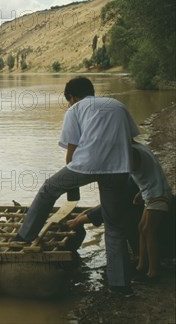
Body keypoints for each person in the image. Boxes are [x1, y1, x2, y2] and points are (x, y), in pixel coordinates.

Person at [14, 77, 140, 296]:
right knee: (113, 225)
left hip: (86, 165)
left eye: (69, 100)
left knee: (48, 189)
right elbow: (131, 138)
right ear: (92, 91)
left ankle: (24, 236)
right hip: (119, 168)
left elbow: (72, 149)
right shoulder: (117, 105)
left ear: (72, 97)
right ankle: (120, 285)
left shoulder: (75, 110)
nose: (69, 104)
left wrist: (70, 177)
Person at [130, 141, 173, 282]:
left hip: (158, 194)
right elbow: (148, 173)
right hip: (153, 193)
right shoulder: (139, 147)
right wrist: (140, 194)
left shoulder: (132, 152)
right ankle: (141, 266)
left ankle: (153, 272)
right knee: (142, 228)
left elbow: (129, 167)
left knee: (149, 231)